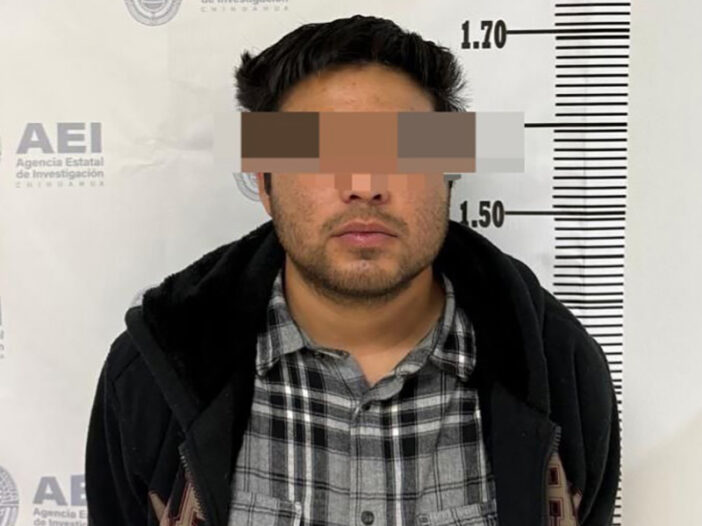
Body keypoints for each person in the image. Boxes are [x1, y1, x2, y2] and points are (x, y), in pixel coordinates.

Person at [85, 14, 620, 526]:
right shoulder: (150, 378)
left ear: (448, 173)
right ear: (265, 182)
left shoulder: (563, 374)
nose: (365, 185)